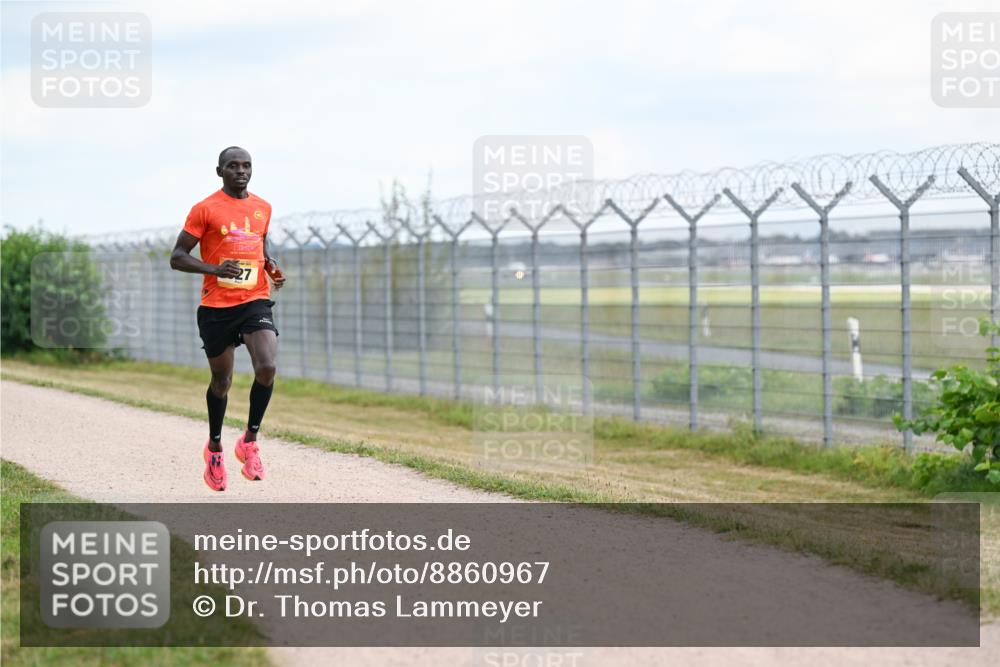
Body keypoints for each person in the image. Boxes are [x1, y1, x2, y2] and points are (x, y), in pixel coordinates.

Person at [170, 146, 286, 491]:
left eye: (246, 165)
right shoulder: (205, 209)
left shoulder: (262, 207)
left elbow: (259, 248)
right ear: (219, 171)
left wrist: (271, 267)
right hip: (216, 306)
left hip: (254, 300)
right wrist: (214, 268)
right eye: (233, 166)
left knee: (267, 367)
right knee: (222, 381)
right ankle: (215, 447)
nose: (241, 171)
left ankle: (249, 442)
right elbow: (177, 257)